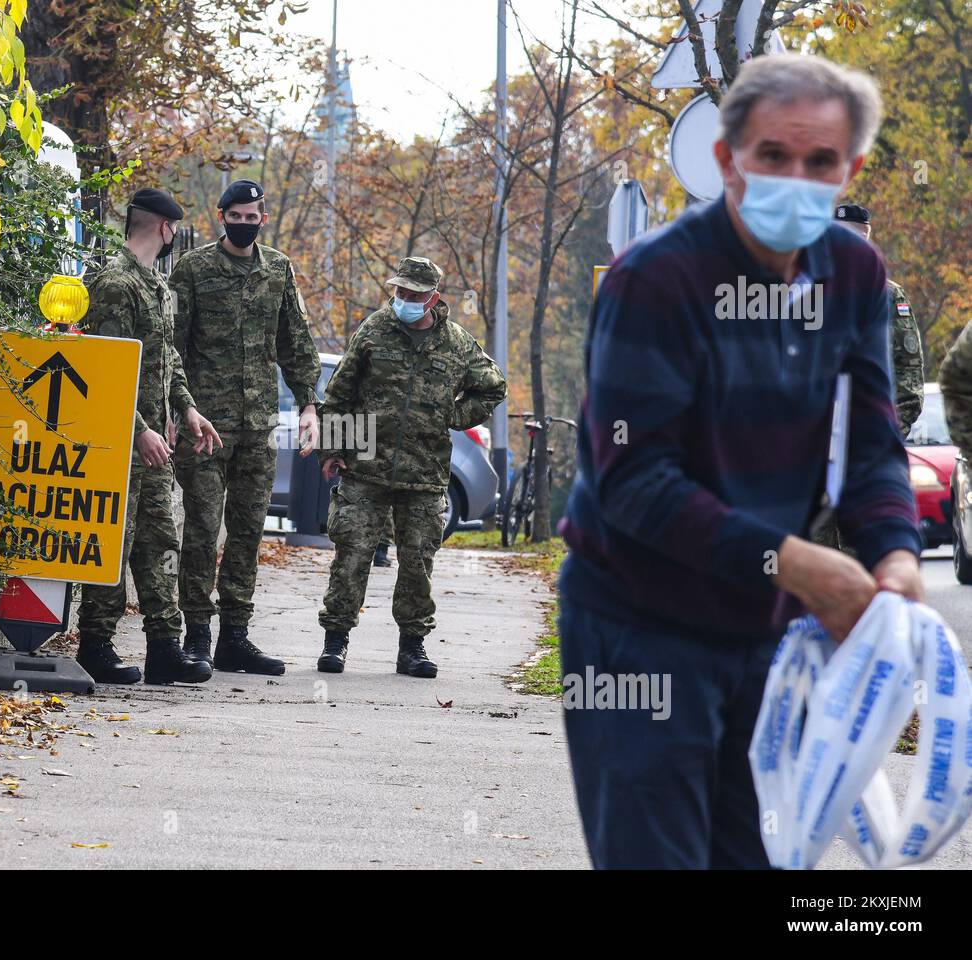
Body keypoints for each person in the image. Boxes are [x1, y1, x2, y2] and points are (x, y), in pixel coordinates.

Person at [557, 54, 922, 869]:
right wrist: (796, 563)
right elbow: (634, 484)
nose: (797, 177)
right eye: (773, 156)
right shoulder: (654, 278)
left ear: (849, 170)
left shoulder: (855, 272)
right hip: (638, 628)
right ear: (727, 159)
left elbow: (870, 444)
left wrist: (895, 557)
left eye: (820, 162)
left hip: (768, 637)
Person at [315, 257, 505, 678]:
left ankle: (412, 648)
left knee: (418, 562)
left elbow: (494, 388)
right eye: (399, 292)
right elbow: (339, 392)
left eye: (414, 295)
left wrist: (454, 416)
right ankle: (335, 641)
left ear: (433, 298)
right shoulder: (374, 330)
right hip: (365, 466)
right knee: (351, 556)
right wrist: (333, 449)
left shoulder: (456, 343)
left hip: (424, 471)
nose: (403, 300)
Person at [169, 179, 321, 675]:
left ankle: (235, 636)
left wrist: (308, 405)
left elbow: (294, 340)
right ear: (221, 217)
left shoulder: (277, 269)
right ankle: (196, 635)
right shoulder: (193, 269)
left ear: (262, 219)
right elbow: (173, 346)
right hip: (204, 427)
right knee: (201, 530)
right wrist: (178, 410)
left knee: (247, 534)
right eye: (236, 216)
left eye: (252, 216)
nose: (244, 223)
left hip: (257, 427)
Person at [76, 188, 222, 686]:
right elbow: (102, 367)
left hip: (155, 443)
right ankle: (94, 644)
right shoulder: (116, 284)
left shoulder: (155, 286)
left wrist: (188, 408)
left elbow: (167, 361)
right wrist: (137, 430)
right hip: (121, 442)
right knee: (115, 540)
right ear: (165, 229)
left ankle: (165, 647)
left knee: (160, 541)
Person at [832, 203, 924, 432]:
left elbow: (908, 366)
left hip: (870, 430)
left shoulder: (887, 294)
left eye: (855, 236)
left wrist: (893, 429)